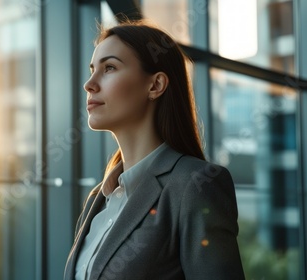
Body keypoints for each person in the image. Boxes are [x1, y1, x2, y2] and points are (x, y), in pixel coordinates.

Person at [63, 20, 245, 280]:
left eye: (109, 68)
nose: (89, 84)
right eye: (92, 70)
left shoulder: (195, 185)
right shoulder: (98, 198)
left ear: (155, 85)